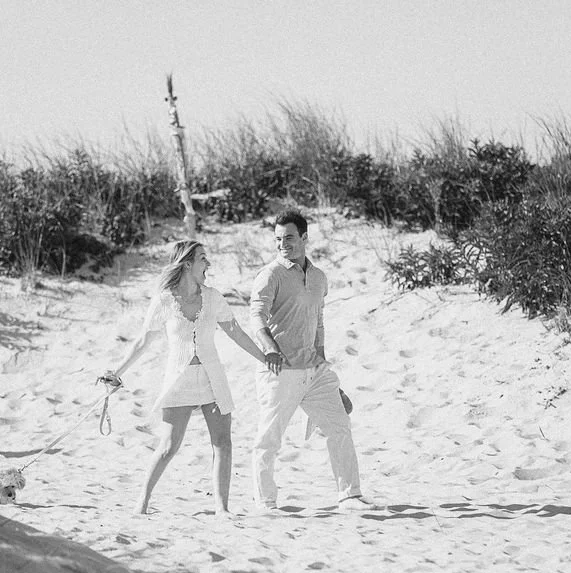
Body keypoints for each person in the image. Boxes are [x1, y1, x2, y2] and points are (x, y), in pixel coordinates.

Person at [104, 240, 266, 516]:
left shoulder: (213, 297)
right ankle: (142, 502)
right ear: (187, 264)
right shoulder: (164, 301)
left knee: (223, 443)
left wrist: (265, 359)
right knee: (168, 446)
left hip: (212, 378)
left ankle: (221, 508)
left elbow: (236, 331)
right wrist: (116, 373)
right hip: (178, 381)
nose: (209, 264)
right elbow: (143, 341)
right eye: (203, 258)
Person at [249, 210, 375, 512]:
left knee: (339, 426)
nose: (283, 244)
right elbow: (256, 317)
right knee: (270, 439)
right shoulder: (270, 275)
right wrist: (270, 349)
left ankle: (350, 496)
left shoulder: (319, 277)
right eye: (278, 239)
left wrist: (322, 359)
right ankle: (265, 502)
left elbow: (318, 320)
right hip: (279, 369)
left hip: (314, 369)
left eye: (289, 238)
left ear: (304, 238)